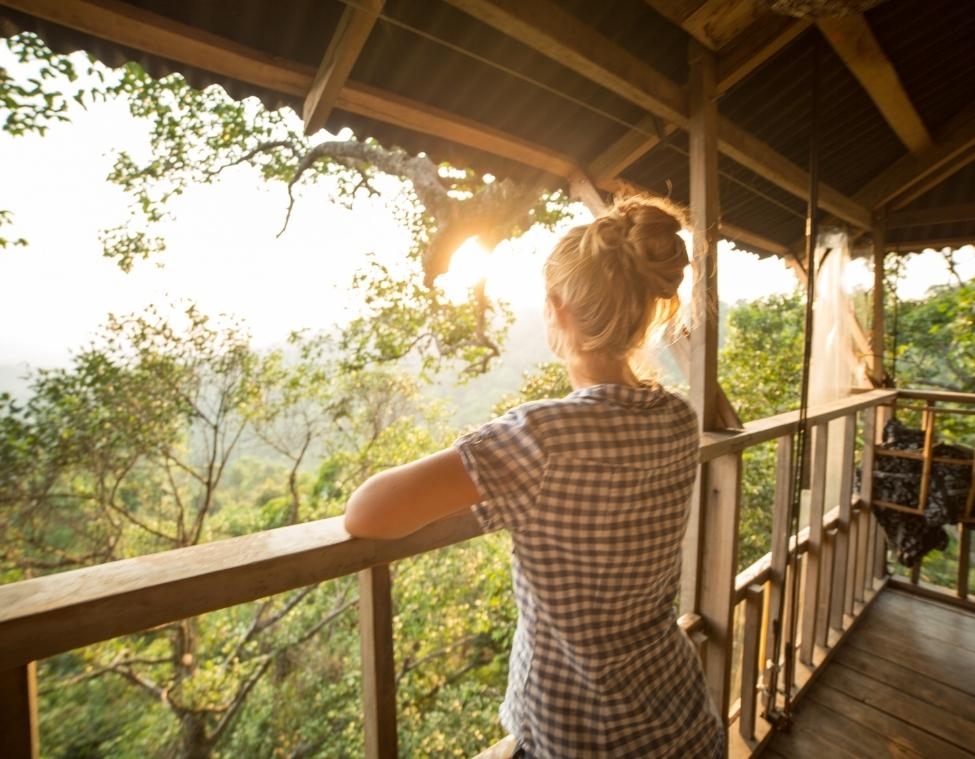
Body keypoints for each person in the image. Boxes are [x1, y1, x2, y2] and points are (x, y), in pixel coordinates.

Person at [344, 196, 725, 758]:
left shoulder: (542, 437)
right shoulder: (677, 417)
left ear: (556, 308)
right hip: (684, 722)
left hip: (584, 738)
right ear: (648, 306)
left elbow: (367, 511)